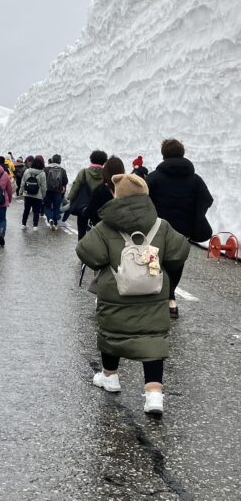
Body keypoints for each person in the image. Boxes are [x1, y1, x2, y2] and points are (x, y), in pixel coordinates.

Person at [76, 172, 190, 416]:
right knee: (152, 339)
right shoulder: (161, 225)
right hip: (154, 293)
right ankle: (154, 395)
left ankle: (111, 377)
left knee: (111, 333)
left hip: (116, 292)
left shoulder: (105, 227)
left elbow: (86, 253)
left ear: (117, 196)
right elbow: (179, 252)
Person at [146, 138, 214, 318]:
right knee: (176, 263)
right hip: (182, 233)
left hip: (155, 231)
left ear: (164, 154)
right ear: (182, 153)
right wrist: (195, 215)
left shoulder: (154, 177)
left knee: (153, 263)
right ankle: (171, 301)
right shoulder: (195, 179)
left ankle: (155, 297)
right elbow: (207, 199)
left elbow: (143, 200)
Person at [67, 150, 108, 240]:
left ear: (91, 159)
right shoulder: (105, 174)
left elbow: (75, 186)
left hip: (83, 206)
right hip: (99, 208)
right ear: (104, 161)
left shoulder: (84, 172)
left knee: (81, 232)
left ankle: (82, 250)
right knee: (99, 232)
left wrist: (70, 198)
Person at [86, 156, 125, 227]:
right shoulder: (128, 189)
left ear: (106, 172)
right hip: (123, 233)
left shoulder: (99, 191)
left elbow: (90, 213)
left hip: (103, 233)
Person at [19, 154, 46, 229]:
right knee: (36, 211)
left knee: (26, 210)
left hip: (27, 194)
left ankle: (23, 224)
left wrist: (21, 191)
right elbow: (43, 186)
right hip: (38, 195)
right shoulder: (42, 173)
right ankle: (35, 226)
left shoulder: (27, 171)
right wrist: (43, 196)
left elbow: (23, 182)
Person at [43, 154, 68, 229]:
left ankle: (50, 219)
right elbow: (65, 181)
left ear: (52, 160)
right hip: (58, 192)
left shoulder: (46, 169)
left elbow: (43, 180)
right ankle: (55, 224)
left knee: (47, 207)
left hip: (47, 191)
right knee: (56, 208)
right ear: (60, 161)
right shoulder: (62, 170)